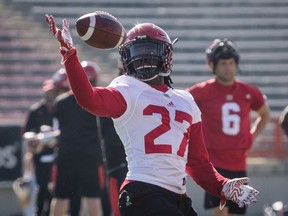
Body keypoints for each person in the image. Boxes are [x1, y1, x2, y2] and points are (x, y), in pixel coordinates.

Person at [45, 15, 260, 216]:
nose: (143, 59)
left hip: (177, 196)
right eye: (136, 54)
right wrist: (70, 56)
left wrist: (222, 185)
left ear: (167, 55)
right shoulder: (127, 89)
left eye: (149, 51)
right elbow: (88, 99)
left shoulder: (186, 100)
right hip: (142, 191)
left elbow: (198, 164)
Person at [186, 38, 271, 216]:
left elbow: (265, 114)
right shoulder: (201, 91)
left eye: (231, 63)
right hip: (214, 163)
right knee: (220, 212)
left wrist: (251, 137)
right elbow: (180, 108)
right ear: (213, 65)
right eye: (223, 63)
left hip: (238, 161)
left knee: (235, 213)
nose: (228, 67)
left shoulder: (248, 91)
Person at [49, 63, 106, 216]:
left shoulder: (61, 102)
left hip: (66, 154)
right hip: (91, 155)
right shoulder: (98, 99)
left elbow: (56, 128)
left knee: (60, 197)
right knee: (93, 197)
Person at [20, 79, 58, 216]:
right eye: (48, 92)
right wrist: (37, 138)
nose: (50, 95)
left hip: (57, 154)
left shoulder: (60, 109)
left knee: (54, 188)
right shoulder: (36, 110)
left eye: (52, 92)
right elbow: (26, 132)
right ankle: (40, 212)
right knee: (42, 187)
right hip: (40, 154)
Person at [98, 64, 128, 216]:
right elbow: (108, 136)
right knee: (118, 211)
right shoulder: (111, 97)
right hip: (119, 166)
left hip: (144, 168)